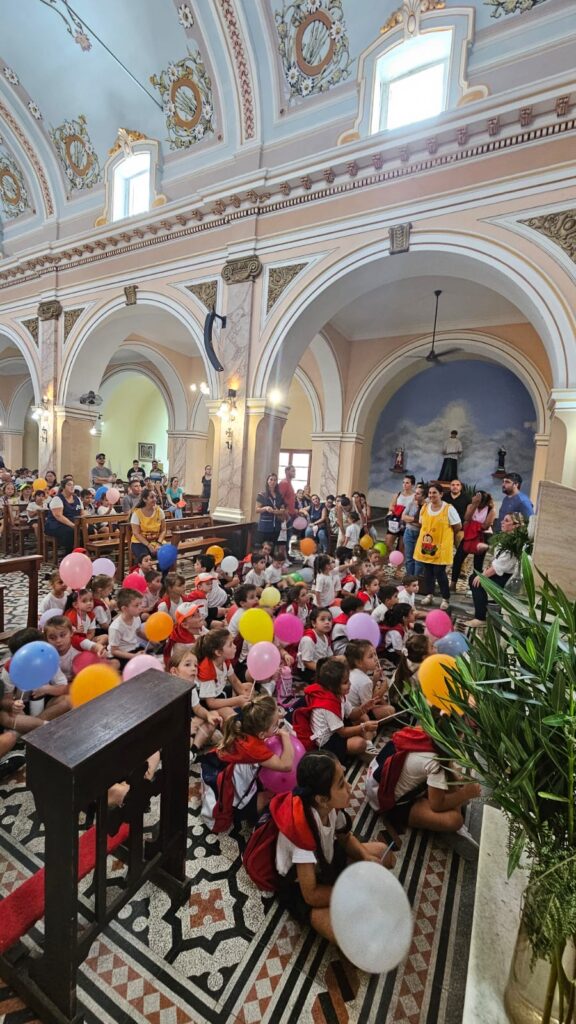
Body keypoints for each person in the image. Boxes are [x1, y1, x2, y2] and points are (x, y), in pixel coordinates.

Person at [265, 750, 392, 942]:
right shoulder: (302, 833)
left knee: (385, 854)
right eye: (341, 784)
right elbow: (311, 894)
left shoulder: (329, 807)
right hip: (302, 887)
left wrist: (365, 857)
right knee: (351, 937)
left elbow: (345, 837)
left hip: (326, 861)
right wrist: (350, 894)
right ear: (321, 799)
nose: (350, 788)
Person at [366, 724, 480, 844]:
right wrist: (465, 794)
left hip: (376, 780)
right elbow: (437, 805)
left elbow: (449, 772)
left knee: (455, 777)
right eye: (461, 735)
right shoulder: (435, 761)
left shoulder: (421, 729)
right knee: (455, 820)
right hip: (388, 803)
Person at [201, 694, 294, 832]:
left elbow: (225, 711)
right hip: (227, 788)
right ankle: (244, 813)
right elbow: (286, 765)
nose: (277, 726)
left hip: (217, 767)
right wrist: (285, 736)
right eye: (274, 725)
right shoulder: (253, 749)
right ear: (261, 734)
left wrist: (274, 721)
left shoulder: (243, 719)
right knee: (270, 795)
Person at [465, 512, 525, 627]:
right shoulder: (508, 537)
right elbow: (499, 557)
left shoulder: (513, 543)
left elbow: (501, 566)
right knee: (474, 578)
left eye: (506, 521)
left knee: (477, 582)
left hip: (508, 578)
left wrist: (482, 576)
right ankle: (481, 608)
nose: (502, 522)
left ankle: (480, 618)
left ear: (515, 525)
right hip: (503, 573)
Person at [415, 483, 461, 610]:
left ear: (441, 494)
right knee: (428, 572)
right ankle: (429, 594)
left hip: (441, 548)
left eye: (434, 492)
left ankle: (445, 598)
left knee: (439, 573)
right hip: (426, 546)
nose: (431, 495)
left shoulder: (449, 509)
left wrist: (445, 538)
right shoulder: (424, 507)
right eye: (430, 493)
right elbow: (421, 524)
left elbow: (457, 526)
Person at [168, 648, 221, 754]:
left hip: (187, 726)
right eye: (188, 665)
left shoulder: (190, 687)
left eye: (195, 665)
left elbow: (197, 708)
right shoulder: (170, 691)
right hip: (171, 731)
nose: (194, 669)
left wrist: (207, 715)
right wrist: (189, 726)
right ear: (174, 671)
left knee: (213, 716)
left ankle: (193, 752)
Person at [451, 490, 496, 589]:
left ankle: (474, 587)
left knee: (477, 563)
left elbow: (486, 526)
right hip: (469, 535)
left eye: (479, 502)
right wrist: (474, 505)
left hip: (482, 537)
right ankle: (453, 583)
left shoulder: (490, 510)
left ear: (485, 502)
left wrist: (471, 524)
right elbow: (467, 518)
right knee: (458, 558)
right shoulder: (471, 506)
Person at [345, 640, 394, 721]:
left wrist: (374, 681)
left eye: (375, 654)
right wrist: (381, 692)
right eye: (371, 656)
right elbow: (368, 706)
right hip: (355, 716)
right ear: (359, 663)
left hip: (351, 710)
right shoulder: (365, 681)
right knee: (391, 710)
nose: (375, 658)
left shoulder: (351, 671)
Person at [44, 476, 84, 555]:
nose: (72, 486)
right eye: (69, 484)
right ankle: (69, 555)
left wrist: (85, 523)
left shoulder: (77, 498)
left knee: (88, 529)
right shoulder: (57, 499)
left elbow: (82, 513)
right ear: (63, 487)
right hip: (56, 525)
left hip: (74, 523)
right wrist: (73, 525)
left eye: (73, 485)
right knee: (71, 532)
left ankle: (82, 553)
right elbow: (59, 516)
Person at [108, 588, 146, 661]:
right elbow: (114, 651)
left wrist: (153, 640)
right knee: (115, 664)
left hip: (133, 649)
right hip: (120, 654)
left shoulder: (137, 618)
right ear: (124, 609)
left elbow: (138, 632)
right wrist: (133, 656)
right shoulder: (116, 627)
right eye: (136, 605)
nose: (140, 608)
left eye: (140, 604)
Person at [130, 488, 166, 561]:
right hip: (139, 542)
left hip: (156, 541)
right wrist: (149, 545)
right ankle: (146, 572)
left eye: (155, 497)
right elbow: (136, 533)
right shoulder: (137, 513)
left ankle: (161, 572)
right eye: (152, 497)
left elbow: (163, 530)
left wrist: (158, 543)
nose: (155, 499)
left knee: (166, 555)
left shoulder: (159, 511)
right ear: (144, 499)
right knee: (146, 559)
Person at [297, 607, 333, 681]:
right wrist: (326, 671)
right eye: (322, 619)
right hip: (309, 671)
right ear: (313, 623)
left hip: (322, 666)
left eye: (329, 619)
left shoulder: (325, 636)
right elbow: (307, 662)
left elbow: (330, 656)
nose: (327, 622)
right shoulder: (308, 639)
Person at [401, 483, 426, 575]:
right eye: (415, 493)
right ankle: (410, 578)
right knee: (409, 558)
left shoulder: (426, 506)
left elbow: (423, 523)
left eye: (418, 494)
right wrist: (414, 520)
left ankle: (416, 579)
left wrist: (410, 520)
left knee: (418, 559)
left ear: (423, 496)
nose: (415, 495)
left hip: (420, 534)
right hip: (409, 532)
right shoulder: (411, 504)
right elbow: (403, 517)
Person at [255, 474, 285, 546]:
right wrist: (265, 508)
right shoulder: (262, 495)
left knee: (273, 548)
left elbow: (282, 510)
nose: (273, 481)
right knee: (264, 548)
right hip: (265, 526)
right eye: (271, 479)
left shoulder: (280, 496)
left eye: (275, 480)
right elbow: (257, 510)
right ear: (267, 481)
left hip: (276, 526)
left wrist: (275, 511)